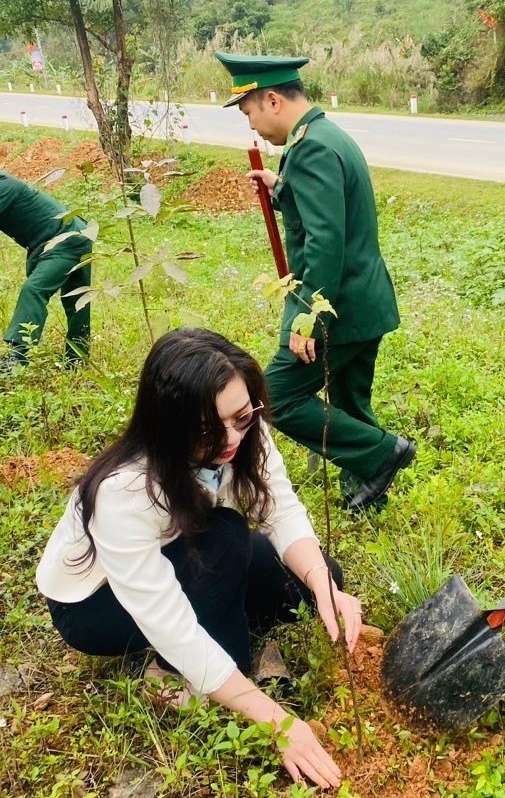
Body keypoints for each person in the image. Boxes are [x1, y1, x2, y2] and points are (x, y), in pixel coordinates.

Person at [36, 328, 362, 790]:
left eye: (242, 415)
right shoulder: (125, 491)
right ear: (169, 425)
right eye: (210, 430)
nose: (231, 438)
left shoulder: (245, 431)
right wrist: (277, 722)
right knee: (227, 541)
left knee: (314, 580)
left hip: (195, 545)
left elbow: (281, 510)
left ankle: (221, 620)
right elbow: (166, 620)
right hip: (95, 605)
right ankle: (165, 673)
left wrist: (324, 586)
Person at [214, 51, 415, 512]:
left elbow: (326, 243)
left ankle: (386, 453)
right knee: (349, 401)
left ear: (271, 100)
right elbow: (331, 213)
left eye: (248, 113)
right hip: (365, 303)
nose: (250, 126)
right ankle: (365, 493)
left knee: (276, 397)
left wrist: (307, 318)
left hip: (333, 309)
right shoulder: (327, 137)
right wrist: (282, 189)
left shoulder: (311, 149)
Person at [1, 170, 92, 370]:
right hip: (73, 234)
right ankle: (77, 358)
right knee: (77, 302)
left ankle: (18, 357)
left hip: (66, 239)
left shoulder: (4, 187)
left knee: (33, 290)